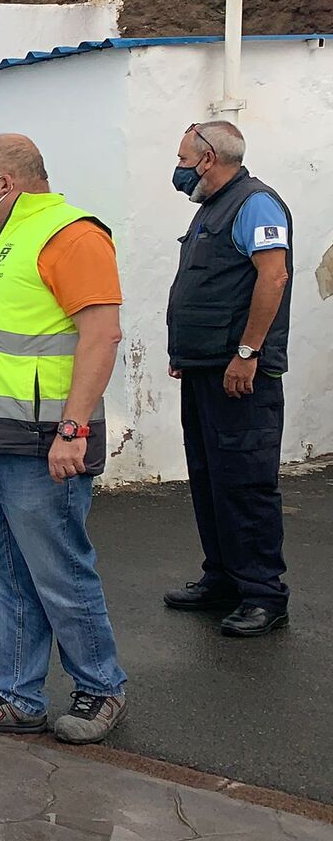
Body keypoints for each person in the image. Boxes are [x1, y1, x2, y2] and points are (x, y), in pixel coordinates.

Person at [0, 134, 128, 745]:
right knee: (7, 576)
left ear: (7, 182)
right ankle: (15, 696)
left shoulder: (70, 234)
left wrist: (73, 429)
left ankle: (100, 688)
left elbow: (101, 336)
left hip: (42, 443)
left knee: (59, 572)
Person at [163, 121, 293, 637]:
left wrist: (247, 351)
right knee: (211, 477)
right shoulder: (211, 209)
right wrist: (187, 353)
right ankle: (223, 578)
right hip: (205, 370)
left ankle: (264, 594)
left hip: (242, 374)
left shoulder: (256, 204)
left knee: (245, 482)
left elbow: (273, 276)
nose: (177, 168)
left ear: (209, 157)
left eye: (182, 157)